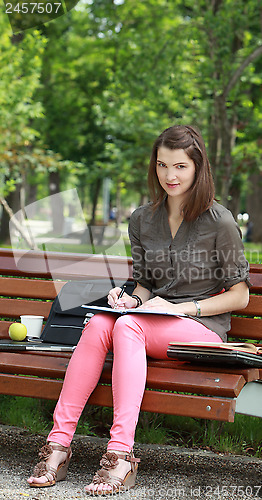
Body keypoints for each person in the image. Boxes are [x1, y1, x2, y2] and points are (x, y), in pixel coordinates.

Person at [27, 125, 250, 495]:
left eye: (180, 166)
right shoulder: (143, 219)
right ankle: (58, 447)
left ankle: (121, 455)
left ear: (198, 167)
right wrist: (132, 300)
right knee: (100, 321)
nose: (170, 175)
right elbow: (145, 284)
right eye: (163, 165)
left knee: (128, 328)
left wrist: (185, 308)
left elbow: (239, 295)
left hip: (203, 328)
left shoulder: (219, 221)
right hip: (149, 323)